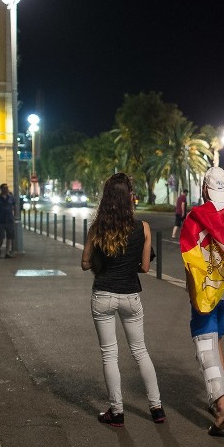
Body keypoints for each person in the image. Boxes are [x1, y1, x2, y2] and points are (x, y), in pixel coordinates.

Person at [81, 172, 165, 427]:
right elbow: (146, 267)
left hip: (103, 294)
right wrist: (129, 265)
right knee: (140, 351)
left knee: (109, 354)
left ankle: (116, 412)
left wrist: (101, 261)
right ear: (129, 198)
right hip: (130, 295)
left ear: (107, 199)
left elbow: (85, 263)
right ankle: (157, 408)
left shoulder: (98, 228)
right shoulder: (143, 228)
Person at [180, 166, 224, 435]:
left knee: (204, 344)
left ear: (204, 189)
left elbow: (190, 263)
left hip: (205, 291)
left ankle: (222, 406)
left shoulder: (194, 220)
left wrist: (194, 294)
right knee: (216, 341)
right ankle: (220, 397)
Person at [0, 183, 16, 258]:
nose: (6, 189)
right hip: (1, 220)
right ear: (1, 189)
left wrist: (14, 216)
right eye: (5, 188)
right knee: (1, 237)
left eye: (7, 188)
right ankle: (0, 247)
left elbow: (14, 207)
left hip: (10, 220)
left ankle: (7, 252)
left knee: (9, 236)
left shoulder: (11, 197)